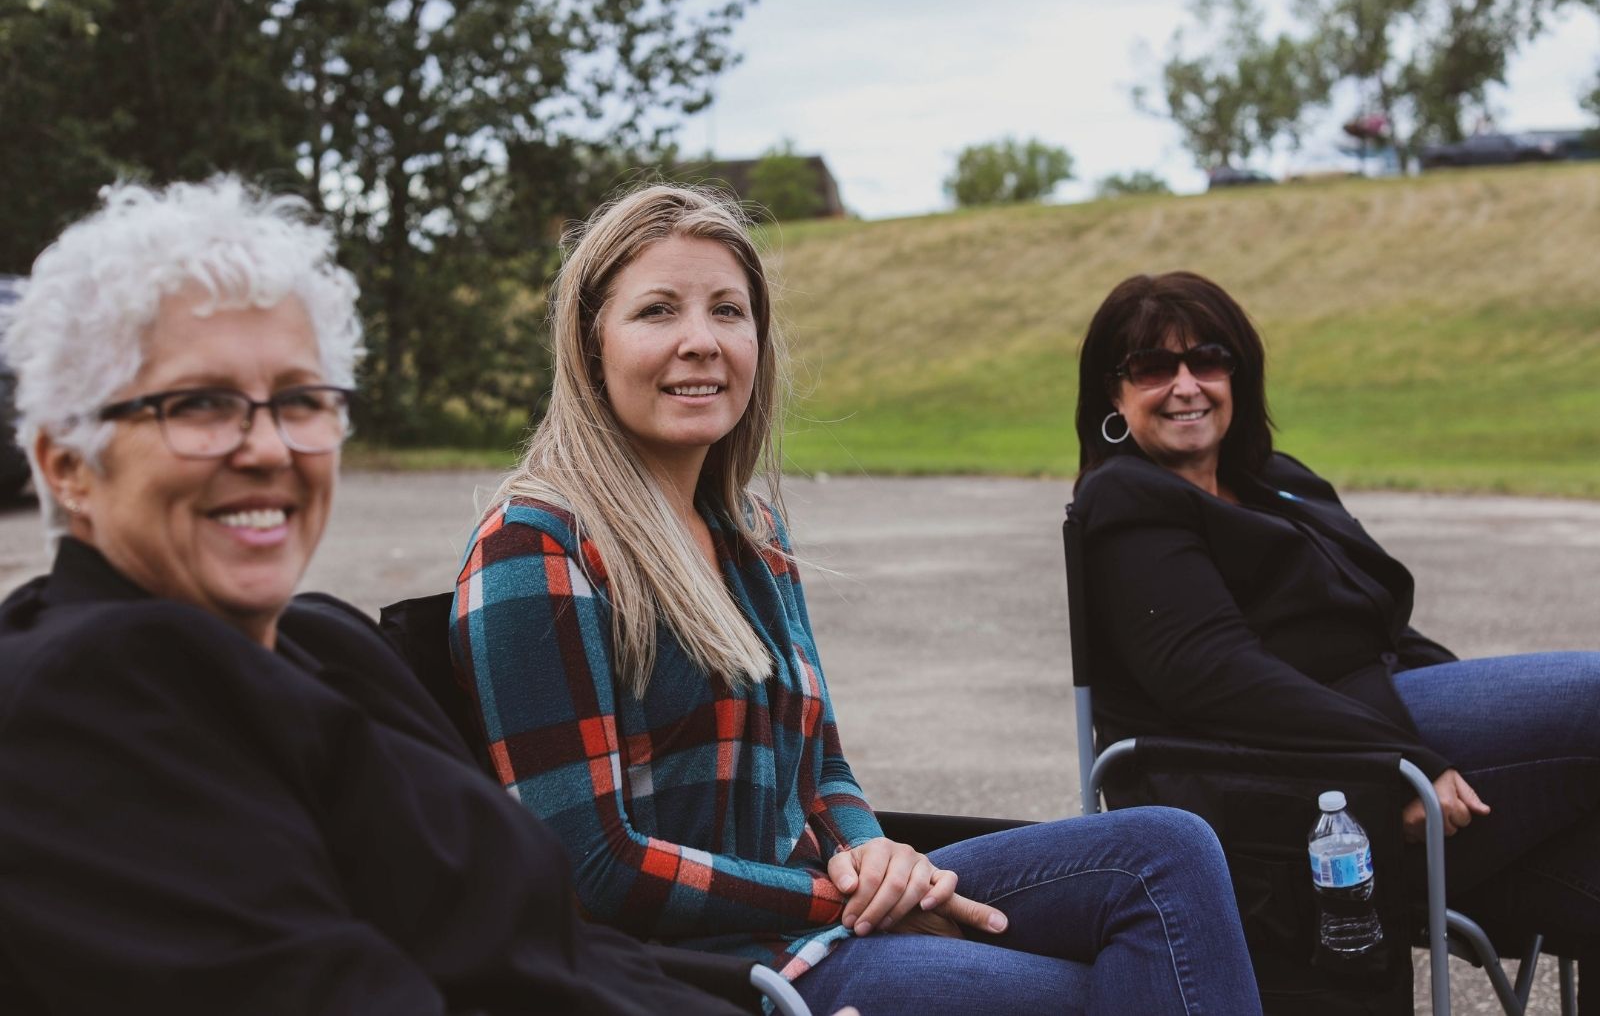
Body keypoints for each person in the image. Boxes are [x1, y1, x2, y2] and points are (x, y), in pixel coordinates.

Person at [451, 184, 1263, 1016]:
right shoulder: (537, 547)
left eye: (728, 312)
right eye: (658, 311)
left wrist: (876, 856)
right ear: (591, 350)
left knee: (1167, 851)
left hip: (820, 913)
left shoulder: (748, 532)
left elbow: (822, 765)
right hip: (704, 970)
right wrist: (847, 901)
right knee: (1106, 990)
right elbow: (595, 866)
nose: (701, 342)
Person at [0, 177, 771, 1015]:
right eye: (199, 406)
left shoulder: (326, 648)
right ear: (66, 467)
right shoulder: (76, 703)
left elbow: (551, 943)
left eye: (300, 400)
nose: (269, 449)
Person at [1071, 270, 1599, 997]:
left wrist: (1480, 716)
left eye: (1209, 360)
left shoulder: (1274, 479)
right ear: (1114, 392)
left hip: (1374, 717)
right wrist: (1403, 757)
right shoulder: (1127, 499)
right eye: (1154, 368)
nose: (1186, 384)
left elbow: (1377, 620)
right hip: (1284, 780)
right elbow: (1208, 670)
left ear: (1240, 372)